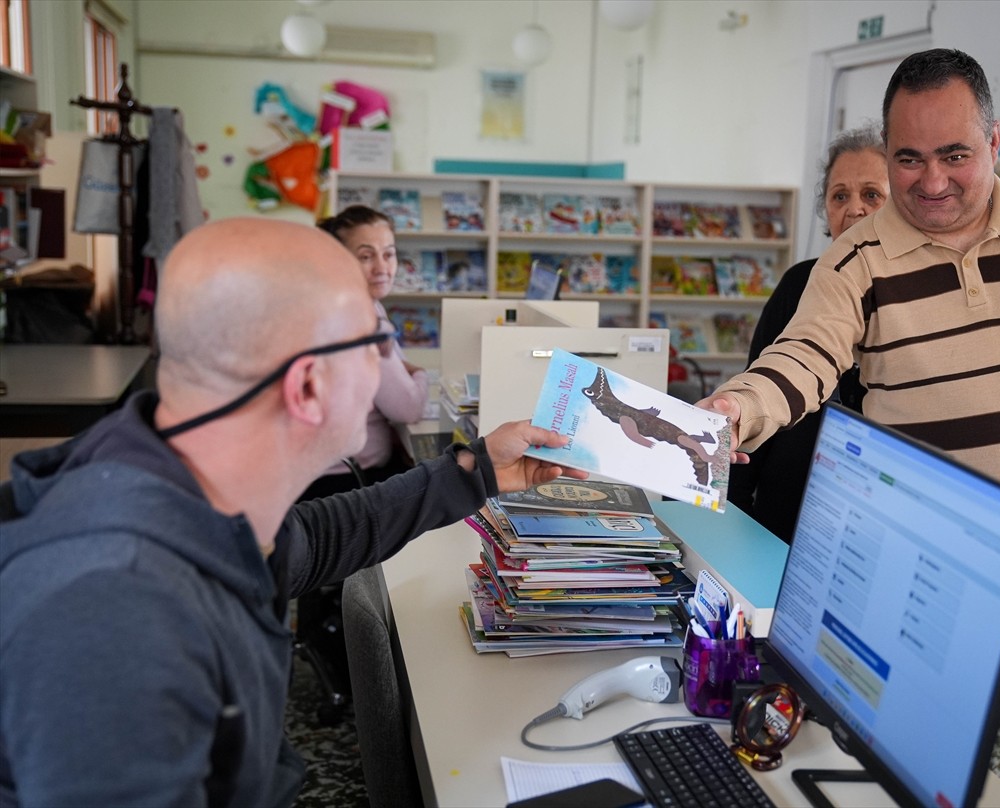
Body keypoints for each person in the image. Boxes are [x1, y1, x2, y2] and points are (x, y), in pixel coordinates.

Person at [701, 49, 1000, 808]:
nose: (931, 181)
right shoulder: (855, 259)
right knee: (920, 775)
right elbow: (805, 355)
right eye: (908, 159)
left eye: (955, 155)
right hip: (930, 566)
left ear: (995, 143)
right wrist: (738, 408)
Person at [0, 218, 585, 806]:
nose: (387, 359)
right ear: (307, 387)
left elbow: (317, 537)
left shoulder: (180, 485)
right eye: (375, 343)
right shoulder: (115, 616)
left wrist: (477, 471)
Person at [727, 124, 888, 541]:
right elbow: (756, 389)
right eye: (840, 196)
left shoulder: (914, 295)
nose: (854, 209)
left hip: (870, 520)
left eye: (872, 195)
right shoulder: (798, 284)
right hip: (783, 513)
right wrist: (732, 515)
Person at [306, 204, 429, 497]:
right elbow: (408, 408)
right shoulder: (359, 317)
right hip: (343, 484)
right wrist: (422, 374)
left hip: (330, 475)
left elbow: (395, 370)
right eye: (365, 256)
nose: (382, 268)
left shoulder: (357, 303)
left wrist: (406, 371)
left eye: (388, 254)